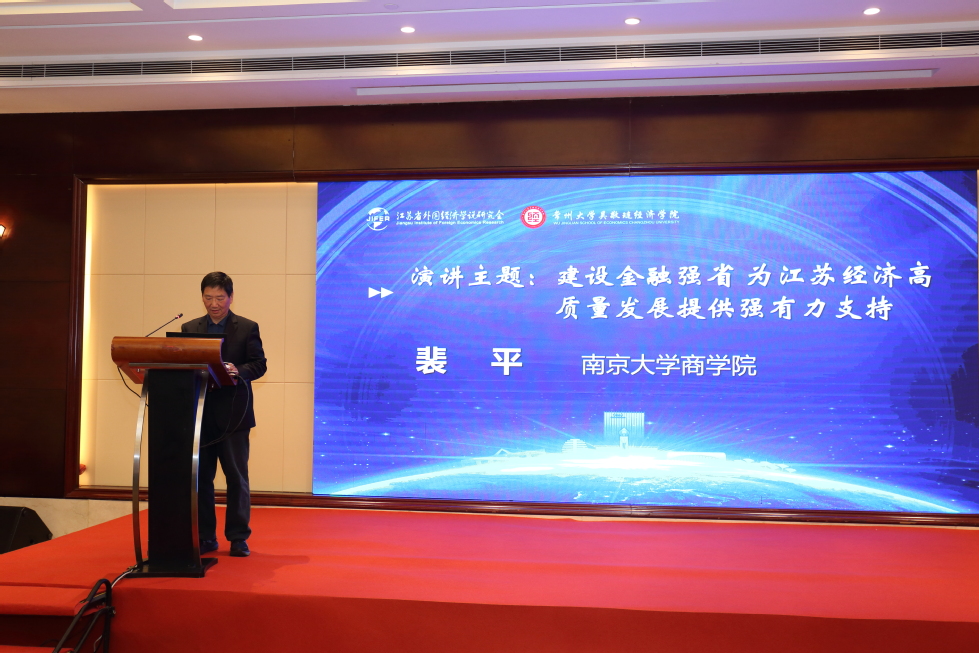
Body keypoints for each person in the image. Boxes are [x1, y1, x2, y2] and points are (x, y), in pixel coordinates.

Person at [181, 272, 266, 558]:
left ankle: (238, 537)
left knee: (236, 478)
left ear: (230, 298)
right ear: (202, 297)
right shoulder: (190, 328)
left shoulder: (247, 327)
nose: (214, 304)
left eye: (220, 298)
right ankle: (206, 537)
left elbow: (259, 365)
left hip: (234, 415)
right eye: (208, 298)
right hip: (200, 414)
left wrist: (237, 370)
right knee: (201, 479)